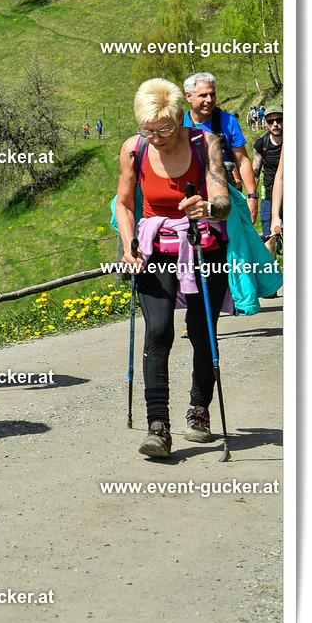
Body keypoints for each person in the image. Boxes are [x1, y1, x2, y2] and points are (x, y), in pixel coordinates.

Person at [114, 78, 231, 459]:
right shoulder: (133, 150)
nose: (157, 138)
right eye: (148, 130)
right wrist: (130, 245)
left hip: (203, 247)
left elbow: (223, 201)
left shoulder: (205, 143)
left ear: (180, 119)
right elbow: (125, 202)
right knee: (160, 331)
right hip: (155, 248)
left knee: (200, 330)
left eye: (164, 129)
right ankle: (158, 426)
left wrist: (207, 208)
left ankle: (199, 411)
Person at [182, 72, 258, 223]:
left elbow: (242, 161)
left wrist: (252, 197)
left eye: (212, 94)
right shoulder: (180, 124)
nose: (209, 100)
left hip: (227, 197)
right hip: (192, 202)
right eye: (203, 95)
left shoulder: (228, 121)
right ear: (189, 96)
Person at [253, 104, 283, 247]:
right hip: (269, 194)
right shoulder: (261, 143)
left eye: (279, 120)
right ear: (266, 123)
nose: (275, 124)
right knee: (268, 236)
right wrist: (253, 199)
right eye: (271, 121)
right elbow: (255, 173)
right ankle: (272, 268)